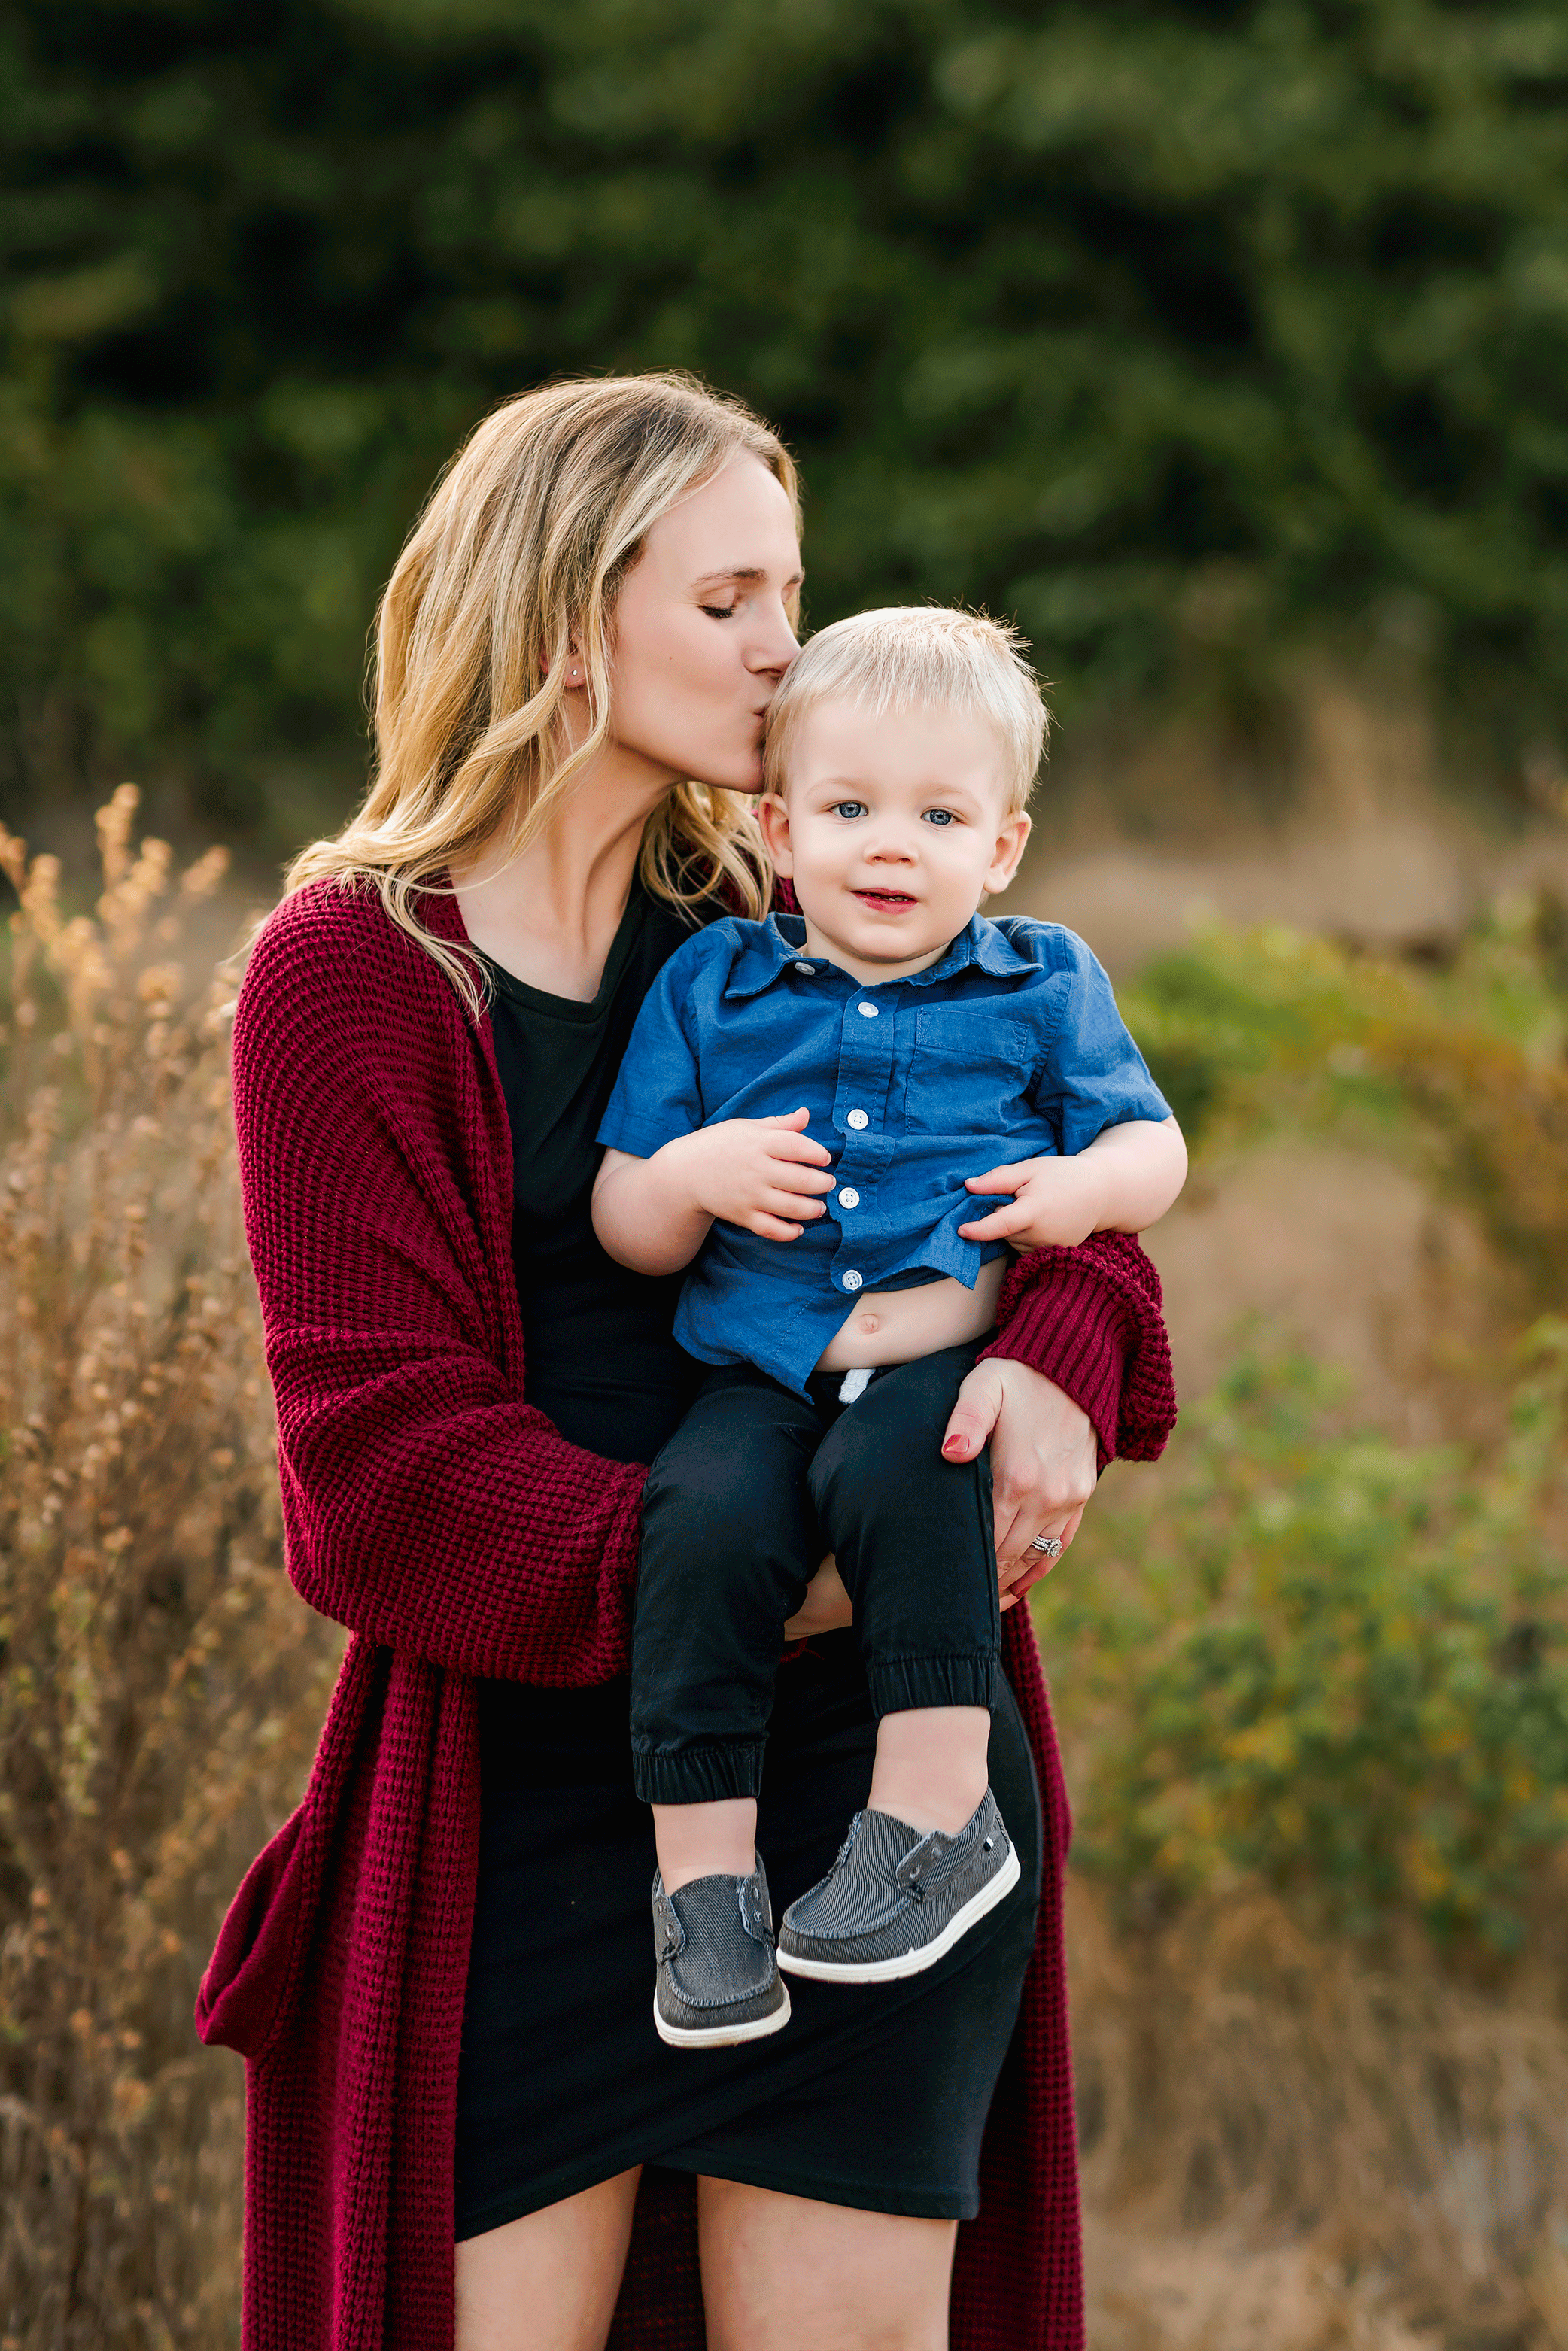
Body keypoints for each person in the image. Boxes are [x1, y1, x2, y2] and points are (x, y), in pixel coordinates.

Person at [195, 372, 1177, 2351]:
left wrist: (1061, 1351)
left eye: (789, 592)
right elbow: (380, 1476)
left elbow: (1060, 1199)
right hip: (528, 1804)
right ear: (566, 619)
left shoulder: (777, 916)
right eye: (729, 596)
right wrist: (787, 1578)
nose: (783, 648)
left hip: (870, 1787)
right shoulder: (353, 975)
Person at [592, 606, 1186, 2049]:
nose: (891, 846)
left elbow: (1153, 1154)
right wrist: (688, 1178)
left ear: (1002, 847)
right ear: (778, 830)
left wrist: (1077, 1190)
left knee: (914, 1467)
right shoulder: (714, 984)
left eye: (938, 814)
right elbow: (623, 1209)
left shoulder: (1042, 983)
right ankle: (707, 1894)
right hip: (762, 1359)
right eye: (849, 809)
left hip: (932, 1351)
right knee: (706, 1517)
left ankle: (934, 1813)